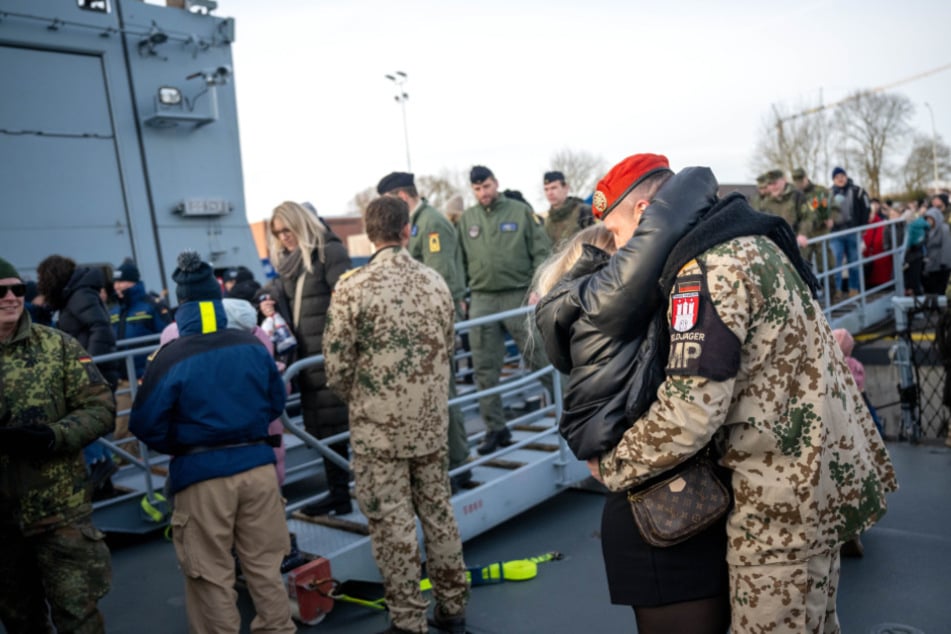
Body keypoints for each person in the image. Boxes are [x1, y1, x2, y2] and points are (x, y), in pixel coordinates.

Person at [568, 153, 897, 632]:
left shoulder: (705, 269)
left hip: (778, 507)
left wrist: (613, 465)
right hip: (819, 483)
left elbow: (690, 413)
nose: (620, 254)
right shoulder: (751, 240)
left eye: (618, 236)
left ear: (642, 215)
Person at [536, 163, 731, 633]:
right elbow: (668, 216)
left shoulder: (602, 303)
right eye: (624, 239)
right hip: (657, 512)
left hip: (671, 501)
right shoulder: (600, 301)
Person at [323, 196, 469, 634]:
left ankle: (408, 621)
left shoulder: (353, 286)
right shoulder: (435, 282)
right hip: (429, 424)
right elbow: (448, 348)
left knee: (393, 525)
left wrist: (368, 399)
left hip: (377, 431)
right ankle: (452, 608)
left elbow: (337, 368)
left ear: (370, 235)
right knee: (439, 515)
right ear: (408, 230)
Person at [129, 251, 295, 634]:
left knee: (211, 577)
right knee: (266, 568)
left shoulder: (170, 357)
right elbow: (276, 403)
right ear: (216, 298)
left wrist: (184, 443)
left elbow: (144, 423)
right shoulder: (253, 345)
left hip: (202, 477)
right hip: (258, 469)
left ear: (181, 303)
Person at [0, 256, 116, 634]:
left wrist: (55, 435)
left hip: (60, 514)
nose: (12, 298)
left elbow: (100, 408)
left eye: (18, 289)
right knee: (20, 620)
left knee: (79, 619)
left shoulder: (57, 346)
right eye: (1, 290)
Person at [377, 171, 472, 489]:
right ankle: (451, 462)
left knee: (444, 392)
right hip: (421, 322)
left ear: (401, 198)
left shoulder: (429, 223)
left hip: (432, 320)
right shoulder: (418, 222)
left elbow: (440, 277)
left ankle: (458, 464)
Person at [260, 201, 353, 516]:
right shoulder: (289, 261)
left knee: (349, 429)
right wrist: (266, 300)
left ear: (301, 224)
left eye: (288, 229)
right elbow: (275, 289)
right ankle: (339, 495)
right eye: (278, 232)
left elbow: (348, 301)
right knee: (325, 432)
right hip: (308, 360)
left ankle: (364, 494)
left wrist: (341, 351)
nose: (284, 237)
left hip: (332, 357)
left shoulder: (328, 251)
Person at [457, 165, 554, 455]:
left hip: (518, 294)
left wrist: (539, 286)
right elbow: (459, 259)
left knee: (538, 355)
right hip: (483, 298)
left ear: (495, 183)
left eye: (486, 186)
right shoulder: (468, 219)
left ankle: (570, 410)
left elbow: (541, 251)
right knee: (485, 368)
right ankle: (496, 428)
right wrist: (463, 295)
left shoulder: (518, 212)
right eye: (477, 189)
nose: (483, 193)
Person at [37, 254, 121, 497]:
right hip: (94, 370)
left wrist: (89, 366)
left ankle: (99, 464)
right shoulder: (76, 295)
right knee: (93, 419)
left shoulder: (80, 294)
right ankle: (103, 470)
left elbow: (100, 328)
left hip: (94, 372)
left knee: (83, 418)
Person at [828, 166, 871, 297]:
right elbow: (821, 211)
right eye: (837, 177)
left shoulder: (858, 191)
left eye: (842, 176)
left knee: (854, 261)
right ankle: (837, 290)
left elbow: (866, 208)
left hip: (853, 231)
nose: (840, 179)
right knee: (836, 263)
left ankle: (854, 289)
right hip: (835, 233)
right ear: (833, 179)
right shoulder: (828, 194)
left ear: (846, 177)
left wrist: (862, 227)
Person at [757, 169, 811, 248]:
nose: (773, 187)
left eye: (775, 183)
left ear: (784, 181)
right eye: (770, 184)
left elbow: (808, 216)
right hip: (775, 247)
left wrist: (803, 233)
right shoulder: (765, 203)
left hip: (796, 244)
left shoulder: (797, 196)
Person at [542, 170, 595, 248]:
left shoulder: (584, 212)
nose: (549, 193)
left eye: (554, 188)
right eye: (546, 189)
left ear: (566, 188)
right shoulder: (547, 221)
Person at [862, 199, 894, 289]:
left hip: (880, 268)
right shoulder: (864, 225)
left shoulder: (881, 224)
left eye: (870, 213)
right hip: (870, 265)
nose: (868, 215)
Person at [922, 205, 951, 294]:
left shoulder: (944, 228)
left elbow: (946, 246)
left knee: (939, 287)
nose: (929, 221)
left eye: (931, 218)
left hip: (940, 262)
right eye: (927, 218)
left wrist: (944, 262)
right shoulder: (926, 229)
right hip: (929, 262)